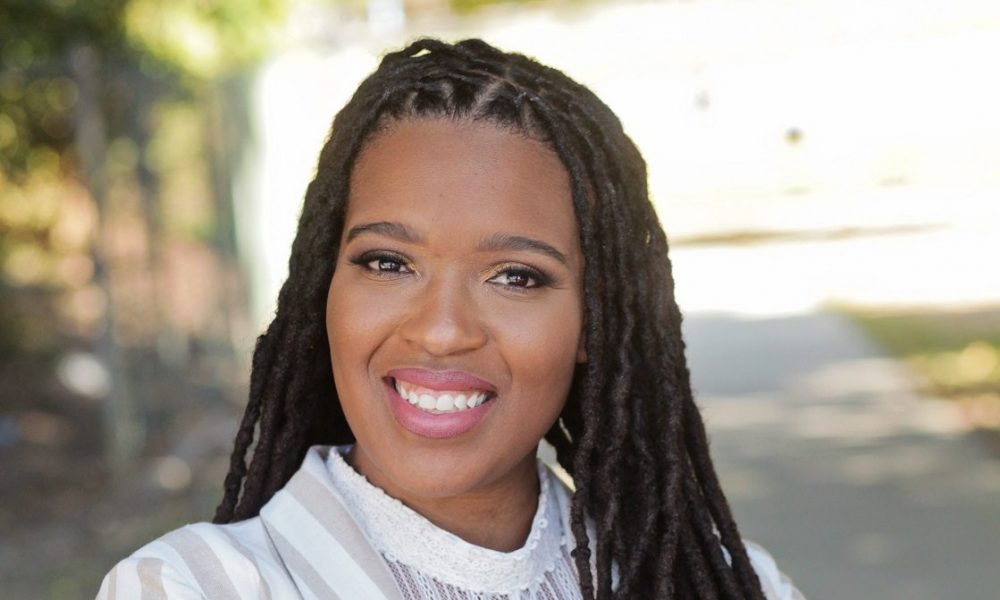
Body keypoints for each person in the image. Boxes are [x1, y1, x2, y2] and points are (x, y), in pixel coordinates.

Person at [96, 38, 804, 599]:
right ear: (323, 289)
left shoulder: (720, 584)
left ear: (595, 323)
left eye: (516, 276)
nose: (440, 330)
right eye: (388, 262)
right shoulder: (193, 587)